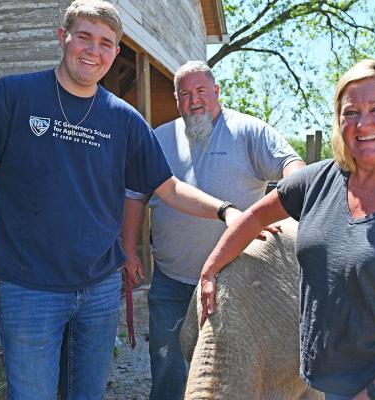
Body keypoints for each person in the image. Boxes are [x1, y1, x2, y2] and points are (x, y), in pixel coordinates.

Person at [0, 2, 244, 399]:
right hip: (29, 289)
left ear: (115, 52)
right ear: (63, 37)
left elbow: (169, 187)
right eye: (84, 37)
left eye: (106, 43)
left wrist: (227, 212)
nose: (94, 50)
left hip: (99, 289)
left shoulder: (124, 119)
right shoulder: (14, 96)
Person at [198, 59, 375, 400]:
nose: (362, 123)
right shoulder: (320, 180)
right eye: (350, 112)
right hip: (332, 381)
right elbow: (254, 217)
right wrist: (211, 268)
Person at [122, 60, 305, 400]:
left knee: (228, 372)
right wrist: (130, 251)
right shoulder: (159, 138)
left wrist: (297, 203)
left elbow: (291, 167)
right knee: (167, 367)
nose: (194, 100)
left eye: (201, 91)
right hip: (172, 278)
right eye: (185, 94)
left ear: (217, 92)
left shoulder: (249, 131)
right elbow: (135, 197)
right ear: (177, 99)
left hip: (237, 281)